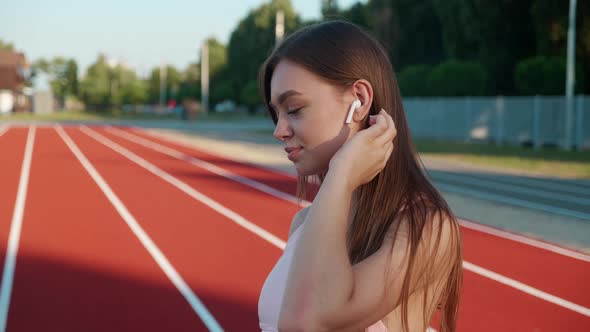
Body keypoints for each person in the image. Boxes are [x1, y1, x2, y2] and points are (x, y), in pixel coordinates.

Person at [257, 20, 462, 332]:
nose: (279, 130)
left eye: (294, 109)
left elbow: (306, 324)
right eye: (276, 113)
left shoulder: (425, 229)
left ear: (360, 101)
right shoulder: (304, 224)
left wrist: (341, 173)